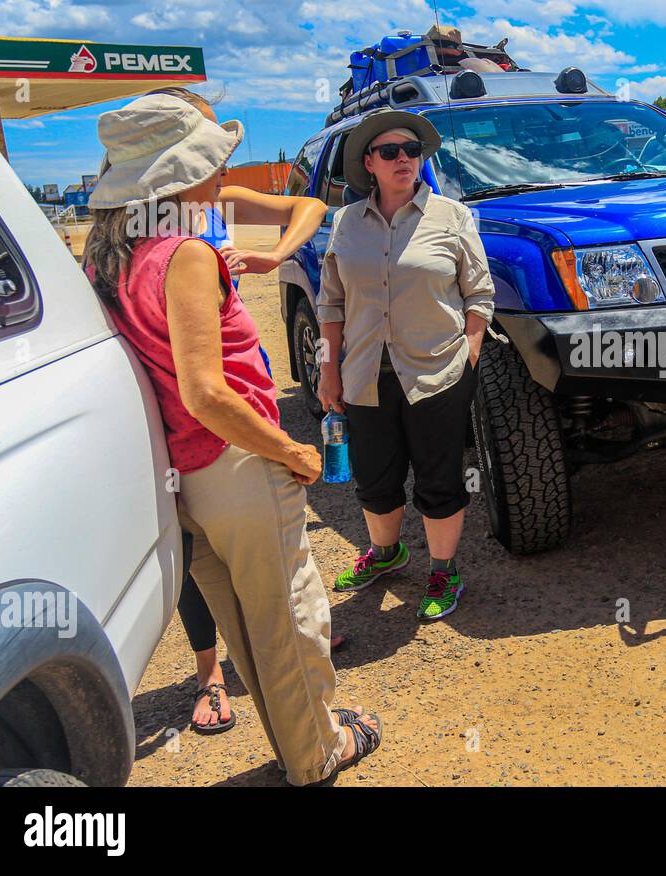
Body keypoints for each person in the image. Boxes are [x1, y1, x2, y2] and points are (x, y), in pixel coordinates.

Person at [83, 92, 382, 784]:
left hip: (185, 473)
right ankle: (316, 752)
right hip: (236, 463)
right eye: (210, 164)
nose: (222, 176)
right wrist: (291, 451)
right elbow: (208, 390)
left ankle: (301, 738)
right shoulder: (184, 252)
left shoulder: (110, 257)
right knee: (290, 616)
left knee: (246, 625)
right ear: (174, 176)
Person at [142, 86, 330, 736]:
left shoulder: (215, 203)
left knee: (257, 567)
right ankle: (211, 674)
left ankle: (289, 673)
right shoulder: (148, 232)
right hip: (192, 419)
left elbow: (308, 205)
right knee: (206, 557)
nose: (218, 159)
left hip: (243, 395)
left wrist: (275, 254)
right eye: (207, 140)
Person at [316, 108, 493, 622]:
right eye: (390, 152)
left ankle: (443, 569)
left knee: (439, 478)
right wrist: (329, 371)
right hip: (365, 375)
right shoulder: (346, 222)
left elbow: (479, 294)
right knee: (374, 477)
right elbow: (330, 306)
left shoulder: (452, 217)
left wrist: (470, 353)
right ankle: (387, 554)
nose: (403, 160)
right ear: (368, 162)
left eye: (411, 151)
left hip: (438, 373)